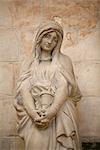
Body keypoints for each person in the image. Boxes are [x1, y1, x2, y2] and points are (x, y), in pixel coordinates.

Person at [14, 21, 82, 150]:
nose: (50, 41)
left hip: (60, 112)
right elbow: (23, 90)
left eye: (55, 39)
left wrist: (51, 112)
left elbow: (65, 87)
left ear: (58, 43)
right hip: (35, 114)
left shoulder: (64, 60)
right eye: (47, 36)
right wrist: (34, 115)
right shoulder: (28, 62)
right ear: (40, 37)